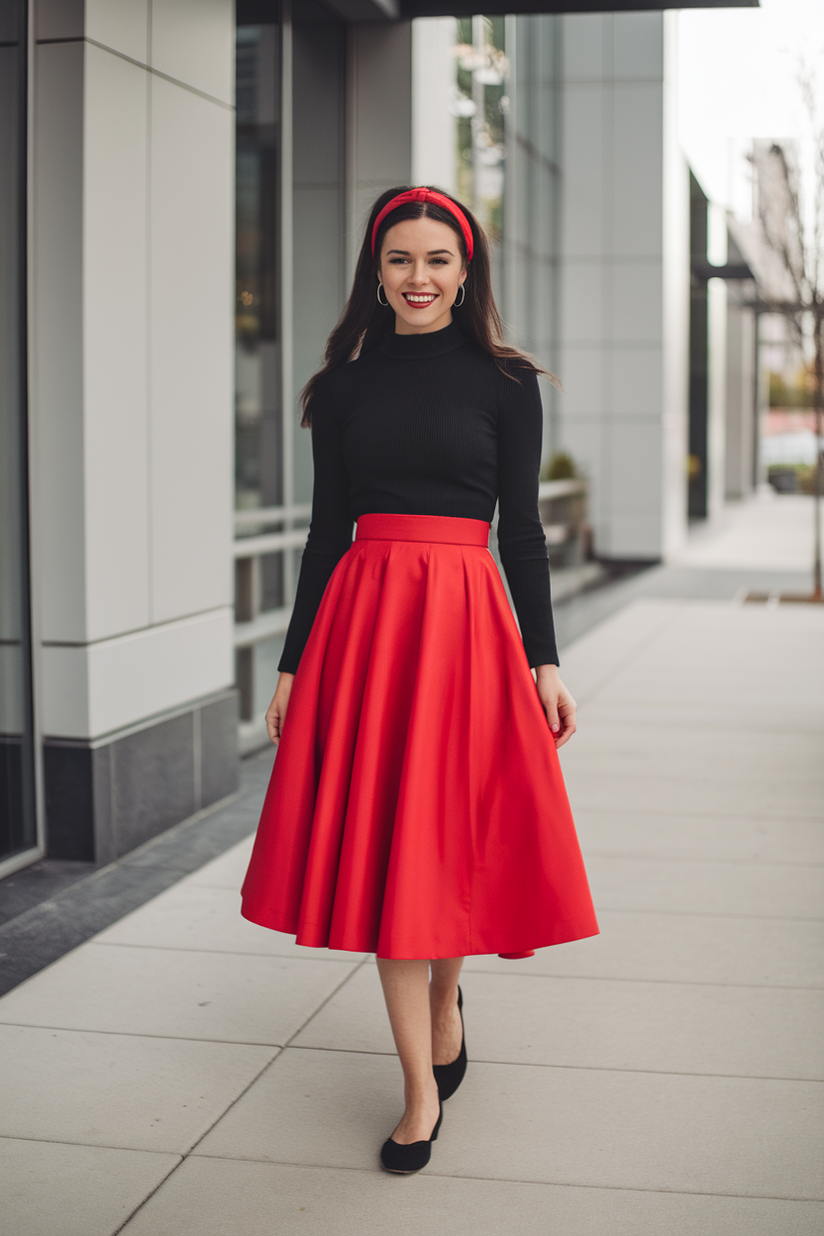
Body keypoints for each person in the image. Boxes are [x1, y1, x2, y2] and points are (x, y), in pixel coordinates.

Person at [241, 186, 598, 1174]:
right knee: (391, 845)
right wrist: (290, 663)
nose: (418, 276)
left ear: (464, 270)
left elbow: (519, 534)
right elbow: (322, 538)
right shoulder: (341, 389)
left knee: (447, 838)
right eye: (399, 259)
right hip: (367, 626)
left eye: (437, 258)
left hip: (469, 627)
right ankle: (415, 1094)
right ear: (374, 271)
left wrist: (545, 662)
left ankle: (446, 1001)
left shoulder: (506, 383)